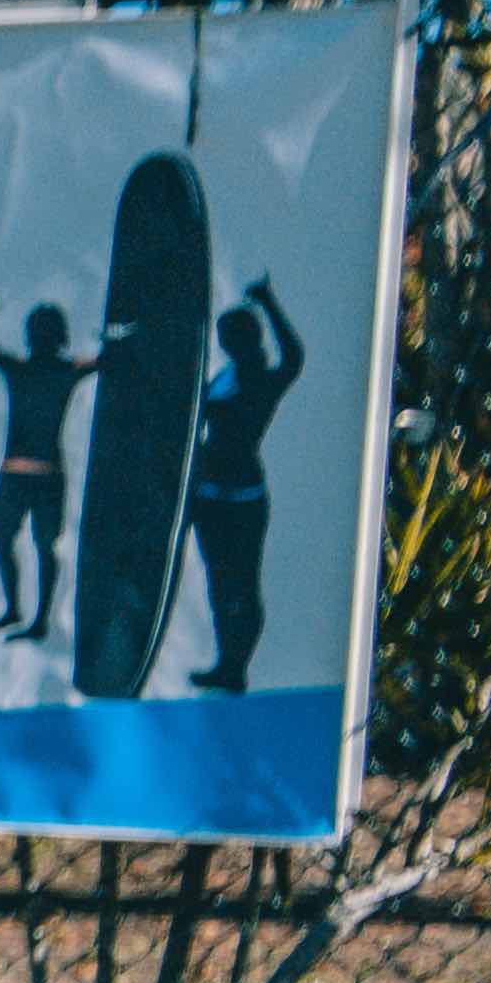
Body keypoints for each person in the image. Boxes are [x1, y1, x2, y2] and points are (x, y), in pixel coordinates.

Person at [184, 273, 308, 692]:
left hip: (241, 498)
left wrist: (269, 301)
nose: (226, 344)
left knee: (242, 584)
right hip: (209, 496)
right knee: (220, 583)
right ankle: (226, 663)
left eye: (230, 337)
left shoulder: (260, 379)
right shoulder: (226, 375)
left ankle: (237, 663)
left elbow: (293, 356)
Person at [0, 292, 91, 639]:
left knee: (8, 540)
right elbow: (104, 361)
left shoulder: (20, 370)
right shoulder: (66, 370)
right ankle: (31, 617)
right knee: (40, 546)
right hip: (45, 475)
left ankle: (21, 613)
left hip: (19, 475)